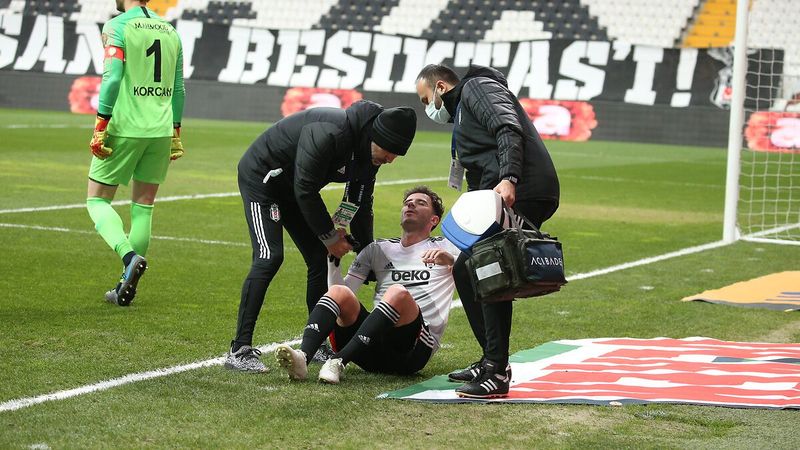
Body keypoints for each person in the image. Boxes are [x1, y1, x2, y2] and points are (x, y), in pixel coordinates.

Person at [224, 101, 417, 373]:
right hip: (263, 180)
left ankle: (312, 344)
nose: (391, 160)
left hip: (295, 188)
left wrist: (367, 252)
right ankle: (239, 349)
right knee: (269, 257)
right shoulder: (330, 132)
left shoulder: (369, 154)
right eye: (390, 152)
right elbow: (305, 188)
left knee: (318, 258)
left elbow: (360, 205)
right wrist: (329, 236)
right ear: (376, 138)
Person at [415, 64, 560, 398]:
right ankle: (490, 361)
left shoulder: (477, 87)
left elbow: (507, 128)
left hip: (523, 188)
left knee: (487, 268)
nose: (428, 108)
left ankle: (496, 370)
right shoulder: (465, 109)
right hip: (501, 193)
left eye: (426, 99)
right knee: (466, 267)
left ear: (440, 87)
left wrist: (509, 177)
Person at [274, 186, 459, 384]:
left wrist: (451, 261)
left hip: (412, 351)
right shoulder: (378, 248)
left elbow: (476, 269)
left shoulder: (447, 246)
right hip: (368, 346)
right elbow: (343, 295)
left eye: (421, 203)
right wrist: (333, 260)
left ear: (434, 220)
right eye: (407, 203)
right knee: (339, 292)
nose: (410, 204)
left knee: (398, 293)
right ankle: (303, 357)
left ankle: (337, 361)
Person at [86, 0, 185, 307]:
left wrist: (101, 122)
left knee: (97, 200)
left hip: (125, 127)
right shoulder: (170, 31)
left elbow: (113, 77)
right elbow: (179, 88)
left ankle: (129, 256)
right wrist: (176, 131)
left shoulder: (117, 26)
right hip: (160, 130)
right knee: (143, 206)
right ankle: (124, 284)